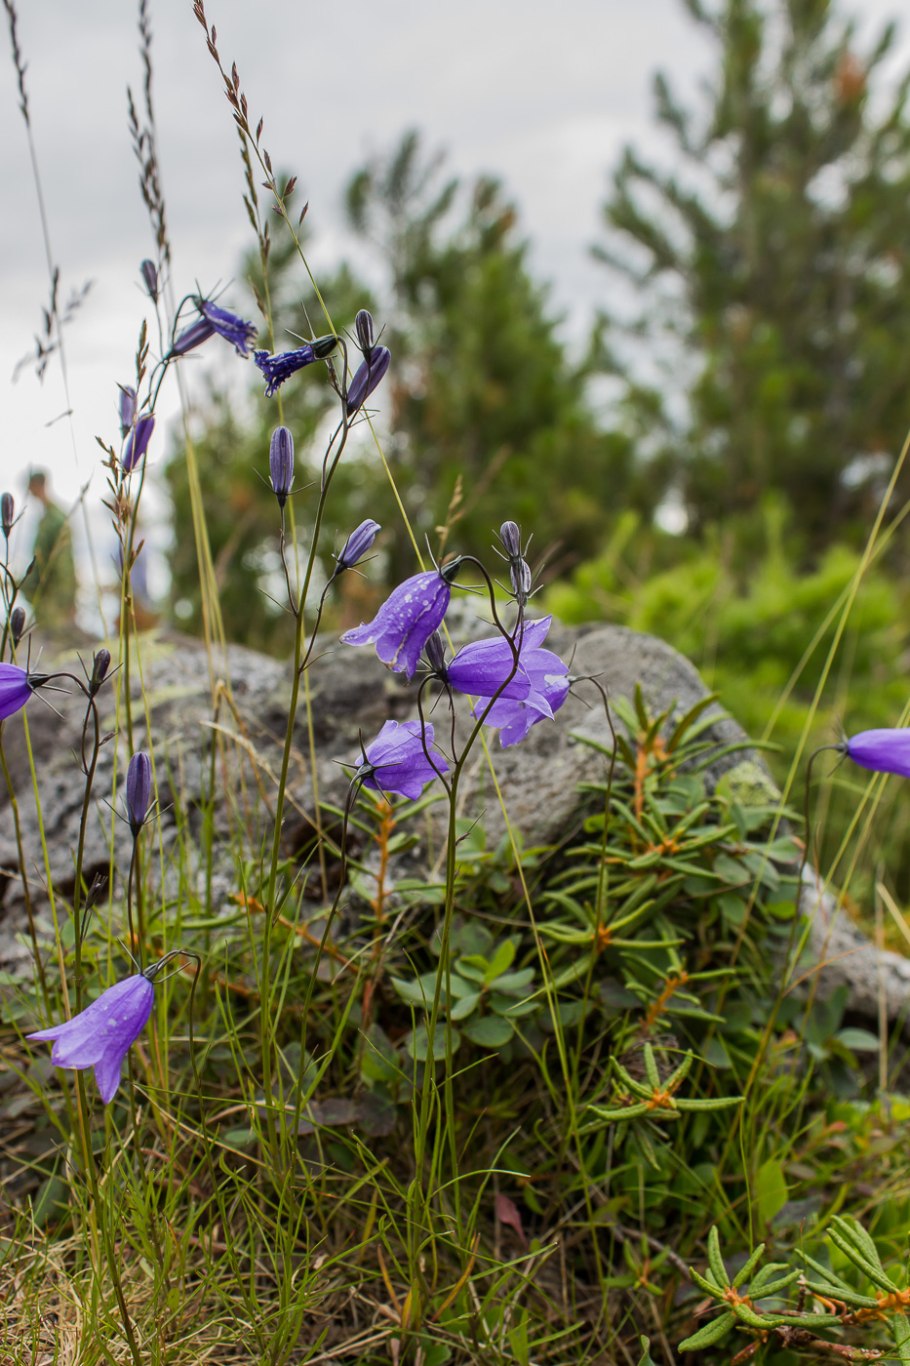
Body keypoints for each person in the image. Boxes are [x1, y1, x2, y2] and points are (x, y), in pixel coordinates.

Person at [23, 470, 76, 626]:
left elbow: (64, 563)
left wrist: (67, 597)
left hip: (54, 594)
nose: (28, 491)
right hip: (46, 591)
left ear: (39, 486)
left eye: (30, 486)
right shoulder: (46, 517)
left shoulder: (56, 518)